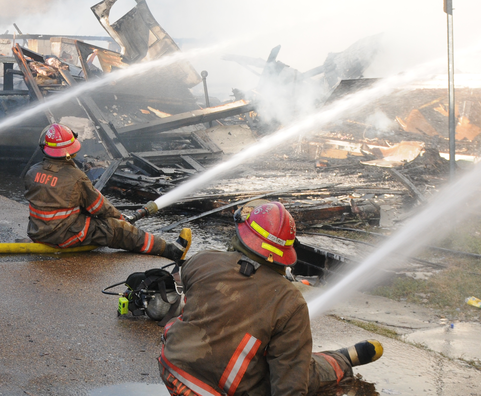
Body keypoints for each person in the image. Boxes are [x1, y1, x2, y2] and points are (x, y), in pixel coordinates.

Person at [158, 200, 383, 396]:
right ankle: (342, 360)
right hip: (215, 390)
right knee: (301, 370)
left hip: (172, 368)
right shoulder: (290, 301)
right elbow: (289, 387)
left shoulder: (202, 260)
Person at [25, 123, 192, 259]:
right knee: (118, 230)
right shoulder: (75, 177)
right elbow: (99, 207)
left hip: (38, 232)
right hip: (63, 236)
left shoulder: (32, 172)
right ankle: (170, 250)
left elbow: (53, 199)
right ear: (71, 152)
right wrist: (120, 220)